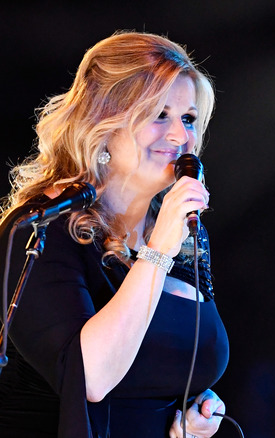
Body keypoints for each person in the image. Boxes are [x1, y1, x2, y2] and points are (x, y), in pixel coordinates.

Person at [0, 31, 229, 437]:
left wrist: (188, 421)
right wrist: (158, 250)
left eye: (188, 118)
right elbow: (91, 379)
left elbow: (171, 370)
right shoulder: (42, 227)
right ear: (104, 122)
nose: (181, 137)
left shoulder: (181, 231)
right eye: (159, 114)